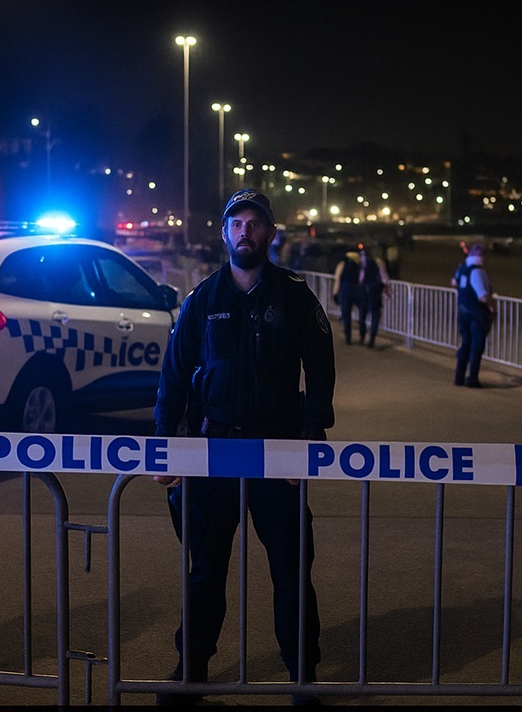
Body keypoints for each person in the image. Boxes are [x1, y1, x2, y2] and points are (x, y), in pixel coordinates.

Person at [151, 188, 336, 707]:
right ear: (225, 233)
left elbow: (320, 370)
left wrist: (312, 439)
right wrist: (165, 445)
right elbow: (173, 378)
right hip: (216, 451)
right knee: (206, 567)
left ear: (270, 234)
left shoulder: (295, 296)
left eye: (255, 223)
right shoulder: (203, 300)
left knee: (291, 568)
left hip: (279, 452)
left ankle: (303, 676)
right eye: (237, 224)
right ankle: (191, 671)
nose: (245, 232)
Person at [451, 241, 493, 388]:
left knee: (465, 344)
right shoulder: (478, 271)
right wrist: (492, 307)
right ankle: (472, 378)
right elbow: (482, 296)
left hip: (463, 312)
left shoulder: (462, 268)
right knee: (476, 347)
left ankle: (459, 376)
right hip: (477, 315)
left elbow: (454, 283)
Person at [355, 244, 391, 348]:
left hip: (364, 292)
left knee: (362, 315)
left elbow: (360, 279)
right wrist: (387, 290)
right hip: (374, 293)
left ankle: (362, 337)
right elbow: (384, 277)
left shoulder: (362, 263)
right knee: (375, 316)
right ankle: (371, 339)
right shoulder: (378, 262)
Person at [331, 246, 364, 344]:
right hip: (359, 291)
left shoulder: (342, 264)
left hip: (345, 291)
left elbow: (337, 280)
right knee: (362, 314)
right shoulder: (361, 264)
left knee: (346, 315)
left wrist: (334, 293)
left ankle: (348, 338)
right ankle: (362, 335)